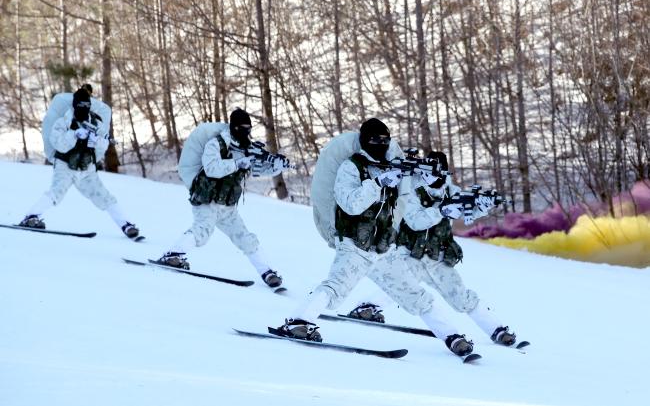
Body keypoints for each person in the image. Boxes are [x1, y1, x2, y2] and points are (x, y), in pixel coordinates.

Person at [276, 119, 468, 357]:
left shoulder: (395, 166)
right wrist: (377, 183)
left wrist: (430, 179)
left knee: (414, 293)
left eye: (385, 140)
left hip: (383, 247)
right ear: (365, 141)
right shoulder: (352, 167)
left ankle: (452, 336)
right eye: (375, 140)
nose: (381, 144)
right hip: (355, 244)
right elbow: (350, 204)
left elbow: (415, 192)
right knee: (336, 287)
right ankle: (298, 323)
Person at [390, 151, 519, 353]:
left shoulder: (451, 190)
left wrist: (482, 206)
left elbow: (467, 211)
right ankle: (366, 308)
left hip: (437, 257)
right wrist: (441, 210)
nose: (434, 175)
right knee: (403, 290)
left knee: (460, 296)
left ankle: (497, 330)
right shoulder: (410, 190)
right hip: (410, 255)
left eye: (439, 169)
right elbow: (415, 222)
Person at [154, 108, 288, 288]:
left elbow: (254, 170)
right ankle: (172, 255)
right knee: (203, 231)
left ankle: (268, 273)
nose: (246, 131)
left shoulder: (246, 147)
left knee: (245, 238)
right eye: (242, 127)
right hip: (207, 200)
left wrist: (276, 166)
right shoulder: (216, 143)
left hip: (228, 206)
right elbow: (211, 168)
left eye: (249, 127)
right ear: (233, 127)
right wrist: (238, 162)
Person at [18, 87, 141, 239]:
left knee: (104, 196)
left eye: (86, 106)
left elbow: (102, 145)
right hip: (65, 166)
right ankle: (30, 217)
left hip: (86, 169)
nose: (84, 109)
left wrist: (95, 142)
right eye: (80, 106)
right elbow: (58, 144)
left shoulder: (96, 123)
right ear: (74, 106)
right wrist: (74, 134)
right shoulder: (63, 123)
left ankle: (126, 225)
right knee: (56, 192)